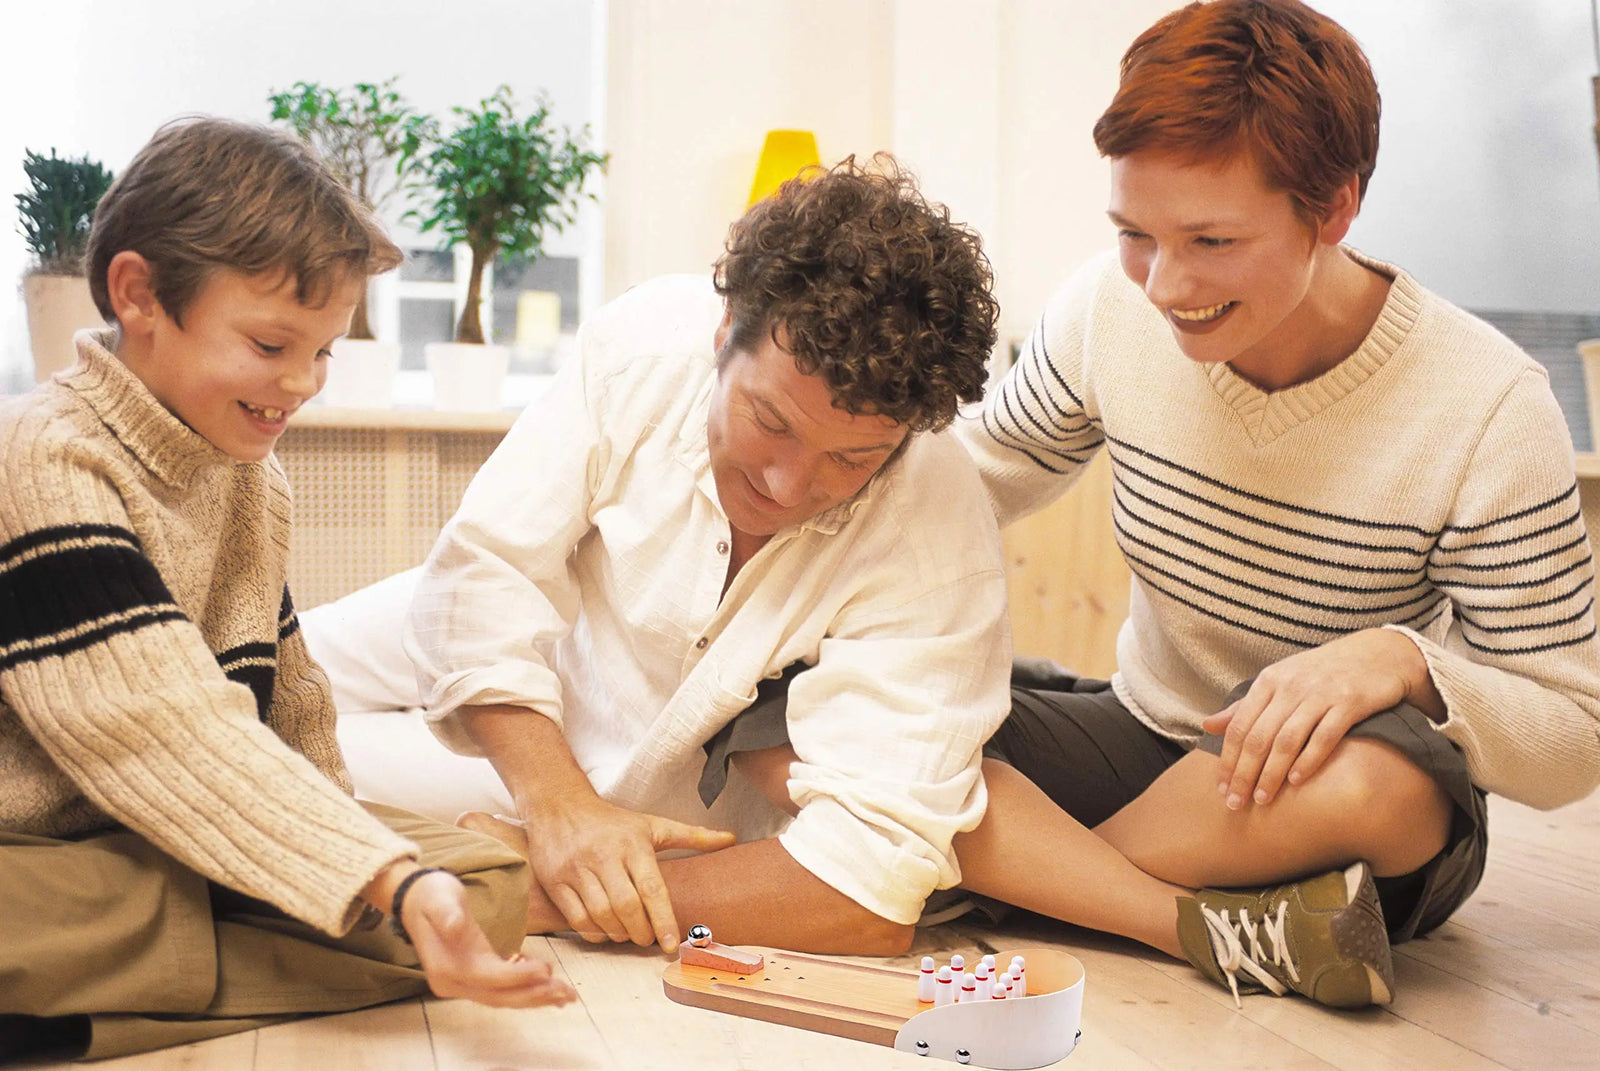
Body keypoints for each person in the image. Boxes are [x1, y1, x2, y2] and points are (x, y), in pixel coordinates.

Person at [950, 0, 1600, 1010]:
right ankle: (1196, 918)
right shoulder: (1104, 311)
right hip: (1145, 739)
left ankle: (1028, 881)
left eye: (1211, 240)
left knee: (1373, 782)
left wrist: (1404, 661)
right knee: (811, 705)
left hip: (1335, 796)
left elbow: (1573, 732)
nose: (1164, 286)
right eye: (1134, 233)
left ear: (1334, 208)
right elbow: (966, 480)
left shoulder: (1487, 404)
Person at [0, 117, 572, 1064]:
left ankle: (113, 1000)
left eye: (324, 352)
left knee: (487, 883)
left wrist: (368, 871)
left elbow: (293, 711)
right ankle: (155, 971)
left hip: (175, 855)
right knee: (396, 894)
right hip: (45, 857)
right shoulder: (41, 457)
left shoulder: (251, 481)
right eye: (271, 345)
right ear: (138, 294)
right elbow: (165, 730)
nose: (301, 384)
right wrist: (383, 886)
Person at [395, 156, 1010, 957]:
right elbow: (482, 579)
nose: (788, 485)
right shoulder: (641, 348)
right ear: (724, 334)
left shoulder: (936, 525)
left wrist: (558, 892)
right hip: (547, 689)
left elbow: (869, 893)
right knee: (273, 689)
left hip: (671, 819)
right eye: (771, 420)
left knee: (338, 805)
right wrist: (559, 808)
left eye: (851, 460)